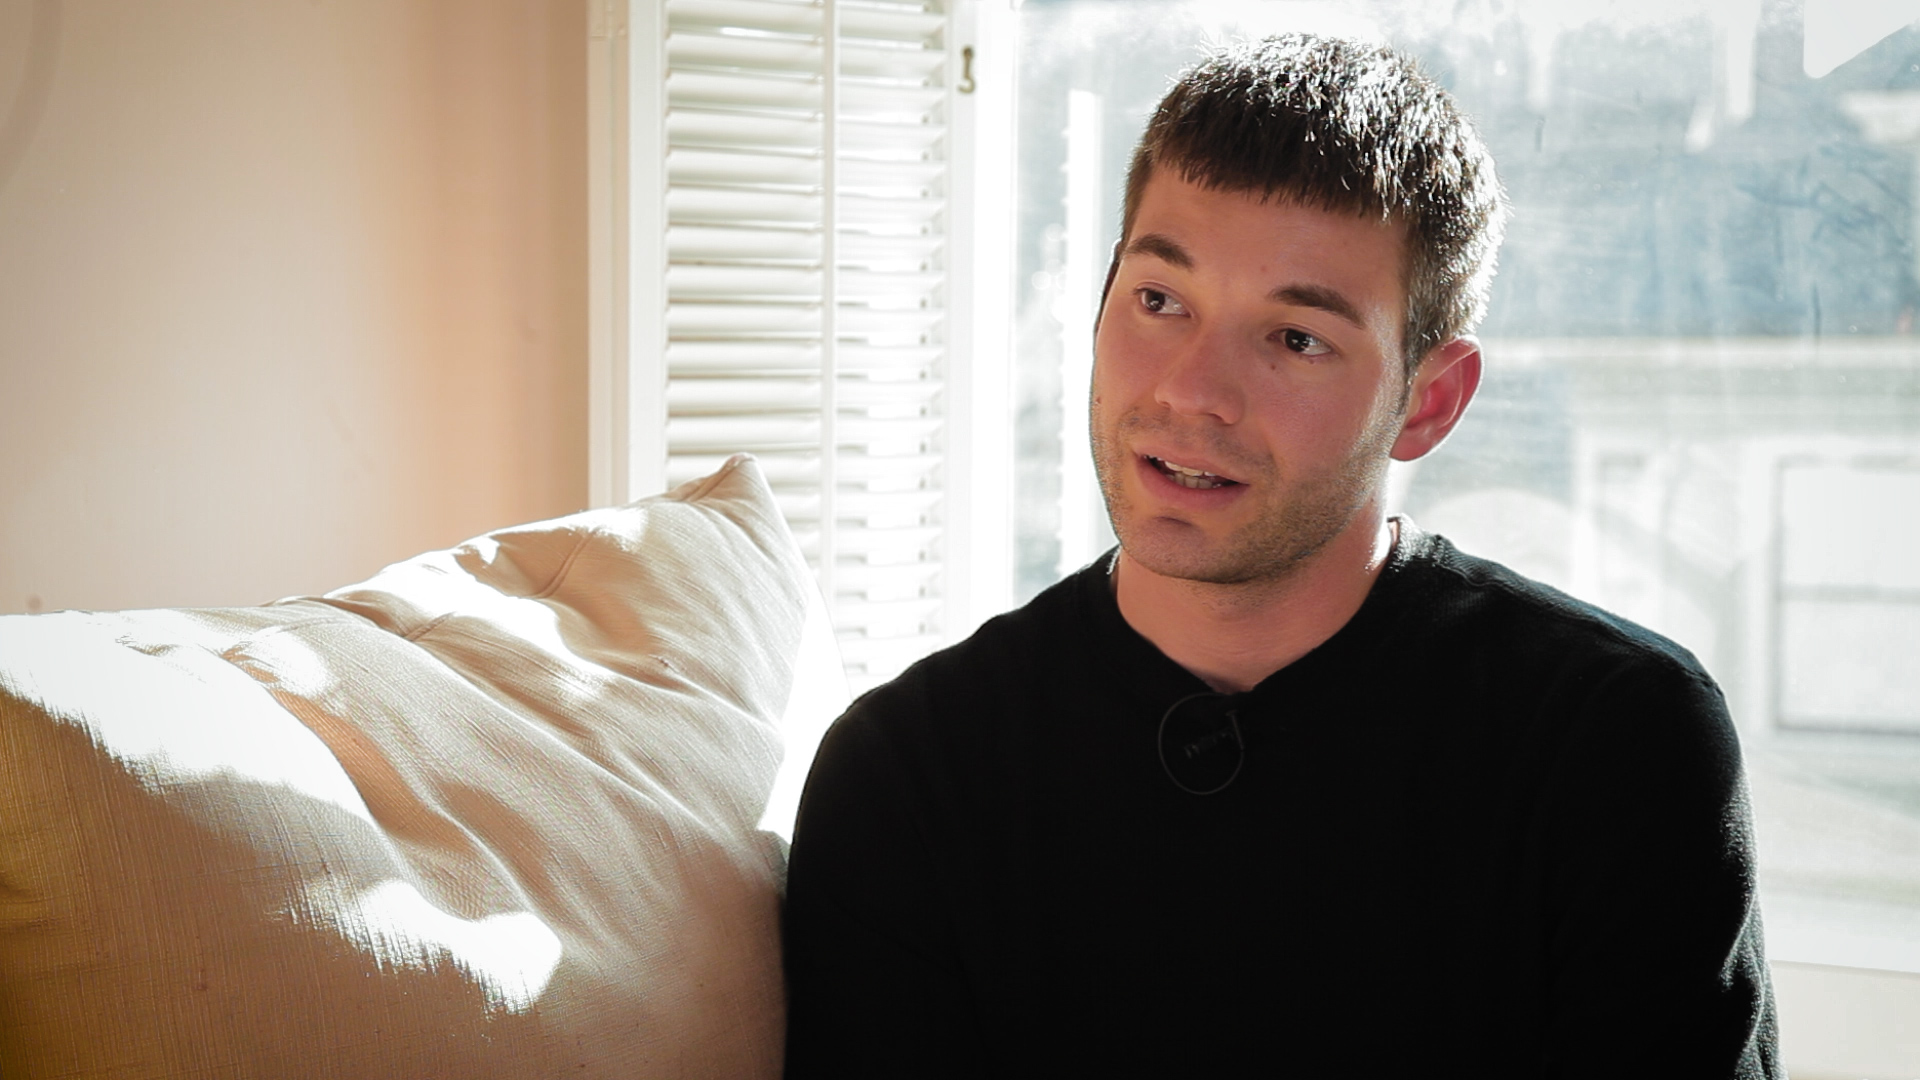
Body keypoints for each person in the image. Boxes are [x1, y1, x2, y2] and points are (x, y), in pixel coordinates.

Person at [782, 33, 1779, 1078]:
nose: (1191, 391)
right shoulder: (906, 774)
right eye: (1159, 301)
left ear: (1428, 402)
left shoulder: (1618, 747)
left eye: (1298, 339)